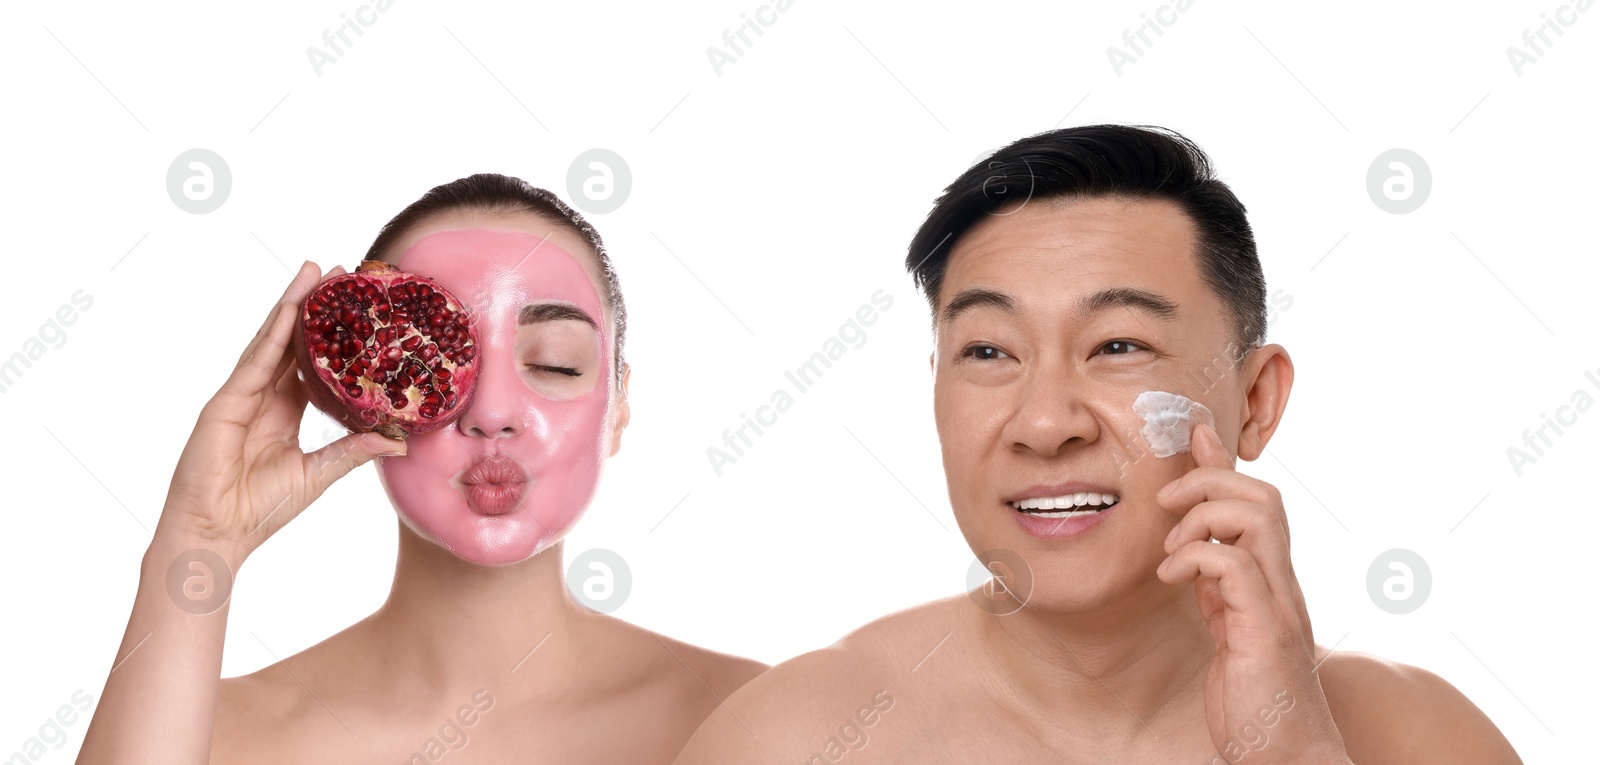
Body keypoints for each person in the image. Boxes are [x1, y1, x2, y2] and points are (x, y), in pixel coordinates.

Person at [674, 126, 1523, 764]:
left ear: (1256, 401)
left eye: (1118, 345)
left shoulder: (1420, 737)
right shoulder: (791, 738)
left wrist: (1294, 749)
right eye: (988, 352)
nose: (1045, 423)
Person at [78, 174, 766, 764]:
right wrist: (199, 540)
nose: (493, 412)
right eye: (426, 362)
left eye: (554, 361)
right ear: (359, 401)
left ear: (617, 408)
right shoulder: (212, 740)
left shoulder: (751, 722)